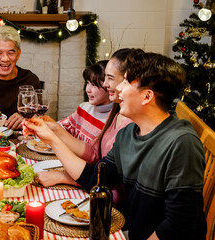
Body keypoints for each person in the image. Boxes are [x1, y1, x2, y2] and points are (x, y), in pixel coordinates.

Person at [24, 51, 207, 239]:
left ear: (146, 97)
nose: (118, 89)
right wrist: (52, 139)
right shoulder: (128, 134)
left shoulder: (181, 143)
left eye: (126, 82)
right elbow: (97, 178)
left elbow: (180, 223)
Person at [37, 49, 138, 187]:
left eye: (110, 78)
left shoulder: (133, 125)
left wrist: (53, 141)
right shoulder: (117, 110)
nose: (105, 83)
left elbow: (108, 180)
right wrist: (56, 130)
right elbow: (94, 153)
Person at [58, 60, 112, 143]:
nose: (87, 90)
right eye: (87, 83)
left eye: (93, 85)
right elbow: (61, 126)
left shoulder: (114, 121)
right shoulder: (84, 108)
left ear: (108, 86)